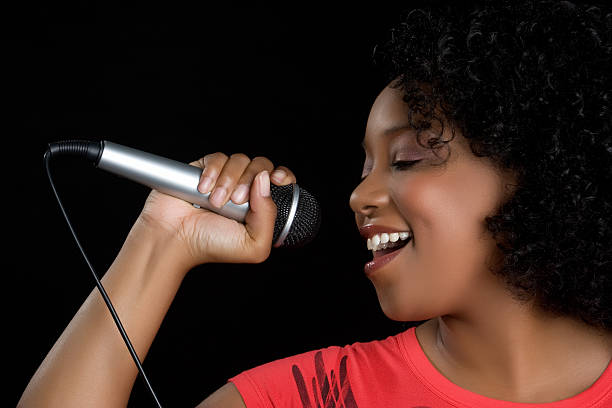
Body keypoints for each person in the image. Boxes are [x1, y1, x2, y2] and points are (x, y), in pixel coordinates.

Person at [19, 0, 612, 406]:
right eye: (364, 166)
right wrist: (163, 237)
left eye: (406, 158)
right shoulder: (311, 394)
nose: (359, 195)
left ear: (538, 172)